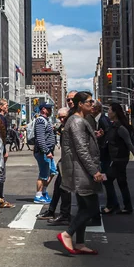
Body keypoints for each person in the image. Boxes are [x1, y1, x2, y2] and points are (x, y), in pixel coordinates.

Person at [57, 91, 104, 256]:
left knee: (84, 207)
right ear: (80, 104)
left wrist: (94, 137)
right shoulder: (77, 121)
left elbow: (82, 144)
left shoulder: (78, 120)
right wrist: (95, 171)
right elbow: (82, 150)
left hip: (80, 170)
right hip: (81, 171)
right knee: (91, 208)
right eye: (90, 102)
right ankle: (67, 233)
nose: (93, 104)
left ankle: (80, 243)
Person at [102, 103, 134, 215]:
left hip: (119, 160)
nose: (108, 112)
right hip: (117, 159)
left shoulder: (120, 128)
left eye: (109, 110)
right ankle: (128, 206)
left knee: (106, 180)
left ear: (114, 113)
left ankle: (112, 205)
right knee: (122, 183)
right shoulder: (113, 126)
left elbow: (129, 144)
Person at [37, 106, 72, 226]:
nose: (61, 120)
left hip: (71, 161)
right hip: (65, 160)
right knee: (58, 185)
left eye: (64, 117)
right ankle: (53, 211)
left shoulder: (72, 125)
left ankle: (64, 214)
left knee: (64, 188)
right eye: (60, 117)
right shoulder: (63, 126)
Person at [0, 98, 15, 208]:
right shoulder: (1, 119)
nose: (7, 107)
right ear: (1, 107)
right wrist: (4, 151)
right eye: (6, 105)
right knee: (0, 175)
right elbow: (1, 136)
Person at [33, 103, 56, 204]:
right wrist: (46, 151)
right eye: (49, 108)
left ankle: (43, 192)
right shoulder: (40, 121)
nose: (51, 110)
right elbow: (40, 138)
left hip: (48, 151)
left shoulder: (46, 121)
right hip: (43, 152)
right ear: (43, 110)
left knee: (52, 171)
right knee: (43, 174)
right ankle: (38, 195)